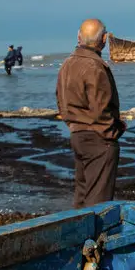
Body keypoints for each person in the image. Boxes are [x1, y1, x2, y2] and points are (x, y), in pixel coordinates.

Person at [55, 19, 126, 208]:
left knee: (81, 197)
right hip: (98, 138)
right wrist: (113, 131)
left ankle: (78, 235)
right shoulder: (95, 66)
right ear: (104, 38)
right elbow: (101, 109)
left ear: (79, 37)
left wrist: (73, 124)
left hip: (77, 134)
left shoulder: (67, 64)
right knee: (98, 202)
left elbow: (61, 102)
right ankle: (94, 237)